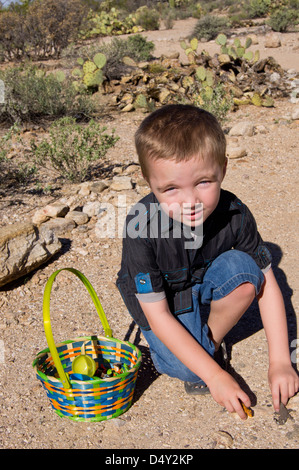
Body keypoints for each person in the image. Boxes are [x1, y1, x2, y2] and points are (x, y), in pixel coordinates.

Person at [116, 104, 298, 420]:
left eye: (203, 182)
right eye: (171, 188)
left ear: (222, 169)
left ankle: (205, 343)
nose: (190, 201)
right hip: (166, 305)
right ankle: (201, 354)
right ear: (149, 181)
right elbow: (158, 315)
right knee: (186, 369)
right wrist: (214, 376)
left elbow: (267, 285)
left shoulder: (235, 214)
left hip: (201, 283)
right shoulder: (141, 226)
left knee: (247, 274)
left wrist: (280, 361)